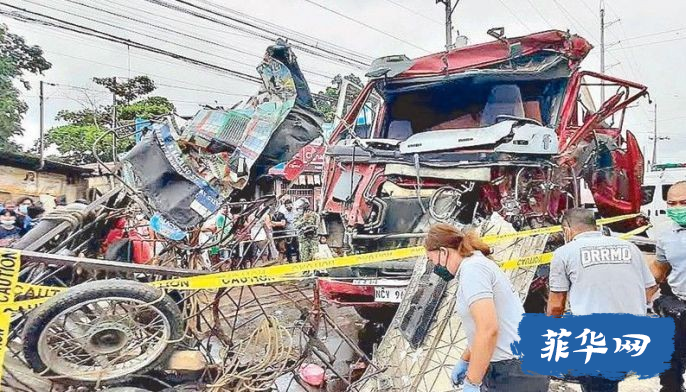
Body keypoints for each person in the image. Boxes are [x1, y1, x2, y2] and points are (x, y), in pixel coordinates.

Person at [425, 223, 549, 392]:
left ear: (444, 252)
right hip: (515, 367)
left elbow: (488, 328)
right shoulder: (475, 265)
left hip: (513, 372)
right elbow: (481, 328)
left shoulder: (472, 270)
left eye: (434, 261)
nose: (436, 268)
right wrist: (466, 359)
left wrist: (472, 382)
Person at [547, 208, 657, 392]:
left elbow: (556, 307)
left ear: (567, 229)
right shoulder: (630, 247)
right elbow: (650, 288)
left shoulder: (564, 253)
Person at [651, 181, 686, 392]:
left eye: (684, 202)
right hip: (679, 307)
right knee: (669, 361)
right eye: (672, 204)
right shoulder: (665, 234)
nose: (677, 208)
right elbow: (659, 271)